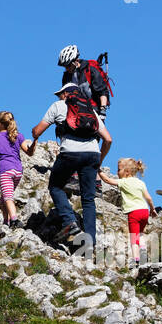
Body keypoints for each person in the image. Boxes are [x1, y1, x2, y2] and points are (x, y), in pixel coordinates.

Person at [32, 82, 112, 249]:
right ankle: (90, 242)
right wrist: (100, 161)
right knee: (88, 198)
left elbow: (37, 131)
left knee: (55, 186)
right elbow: (108, 139)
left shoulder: (58, 106)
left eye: (60, 94)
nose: (59, 97)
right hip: (92, 154)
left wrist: (34, 133)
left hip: (70, 152)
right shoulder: (90, 109)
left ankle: (70, 222)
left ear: (66, 94)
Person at [100, 158, 157, 267]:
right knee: (140, 233)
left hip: (133, 213)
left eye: (119, 169)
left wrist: (99, 171)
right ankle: (143, 249)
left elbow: (107, 180)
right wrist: (152, 209)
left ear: (127, 171)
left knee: (133, 238)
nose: (117, 172)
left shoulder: (123, 182)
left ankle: (136, 260)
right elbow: (148, 198)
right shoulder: (140, 183)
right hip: (144, 211)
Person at [57, 44, 111, 116]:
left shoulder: (90, 69)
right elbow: (64, 96)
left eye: (68, 65)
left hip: (93, 111)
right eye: (65, 66)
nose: (67, 68)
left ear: (76, 60)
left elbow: (102, 91)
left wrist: (103, 112)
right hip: (75, 113)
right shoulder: (66, 76)